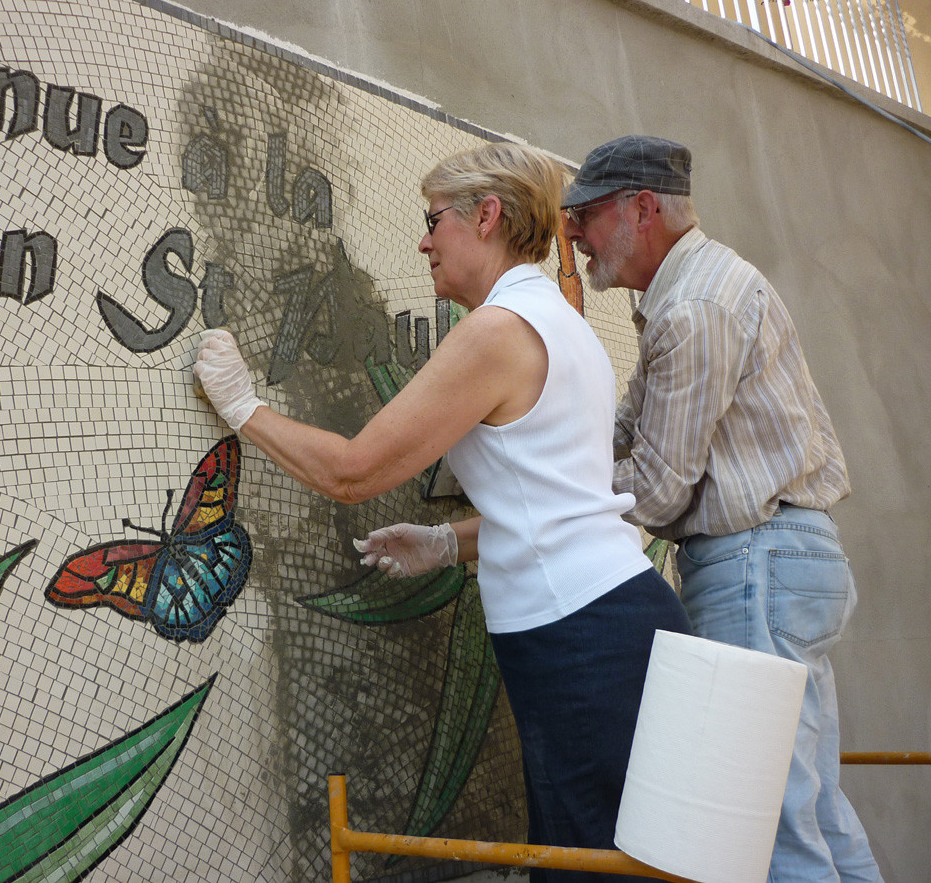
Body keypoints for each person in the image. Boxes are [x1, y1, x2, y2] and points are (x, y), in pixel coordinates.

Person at [195, 141, 691, 879]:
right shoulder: (561, 323)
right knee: (619, 857)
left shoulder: (498, 330)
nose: (425, 242)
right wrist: (447, 542)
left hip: (581, 634)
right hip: (612, 616)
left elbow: (354, 471)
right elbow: (551, 504)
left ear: (486, 216)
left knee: (592, 865)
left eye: (434, 221)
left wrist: (244, 409)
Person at [561, 134, 882, 882]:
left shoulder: (694, 308)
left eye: (586, 212)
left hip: (753, 565)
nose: (572, 233)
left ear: (643, 208)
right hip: (782, 562)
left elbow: (658, 486)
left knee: (770, 824)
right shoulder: (692, 290)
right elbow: (628, 427)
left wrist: (550, 491)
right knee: (814, 810)